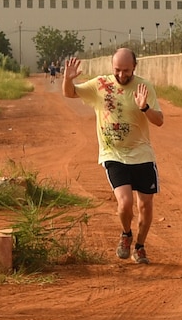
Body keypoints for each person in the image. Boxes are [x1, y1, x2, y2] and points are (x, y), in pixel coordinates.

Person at [61, 49, 164, 264]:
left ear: (134, 67)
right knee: (125, 203)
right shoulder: (100, 85)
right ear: (112, 67)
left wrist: (144, 107)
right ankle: (126, 234)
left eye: (126, 70)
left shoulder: (144, 87)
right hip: (113, 154)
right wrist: (67, 79)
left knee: (145, 206)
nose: (121, 75)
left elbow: (159, 120)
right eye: (117, 70)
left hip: (142, 155)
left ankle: (140, 246)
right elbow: (69, 93)